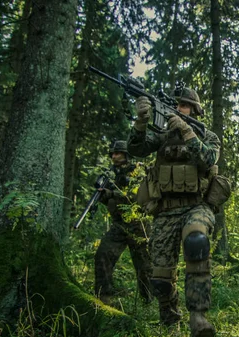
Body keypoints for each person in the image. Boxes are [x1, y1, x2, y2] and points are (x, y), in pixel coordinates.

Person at [129, 87, 223, 337]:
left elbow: (209, 159)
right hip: (165, 211)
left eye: (185, 105)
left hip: (196, 207)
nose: (180, 108)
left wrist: (186, 130)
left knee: (197, 241)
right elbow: (135, 149)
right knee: (159, 277)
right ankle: (171, 323)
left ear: (194, 110)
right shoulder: (162, 136)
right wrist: (140, 122)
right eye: (178, 104)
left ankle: (199, 317)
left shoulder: (207, 135)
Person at [94, 140, 152, 305]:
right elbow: (111, 201)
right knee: (103, 254)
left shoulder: (138, 171)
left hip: (138, 225)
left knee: (144, 267)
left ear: (126, 154)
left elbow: (136, 197)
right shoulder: (110, 174)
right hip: (119, 224)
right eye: (112, 153)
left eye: (117, 153)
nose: (114, 156)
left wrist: (112, 194)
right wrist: (104, 196)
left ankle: (148, 301)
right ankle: (103, 298)